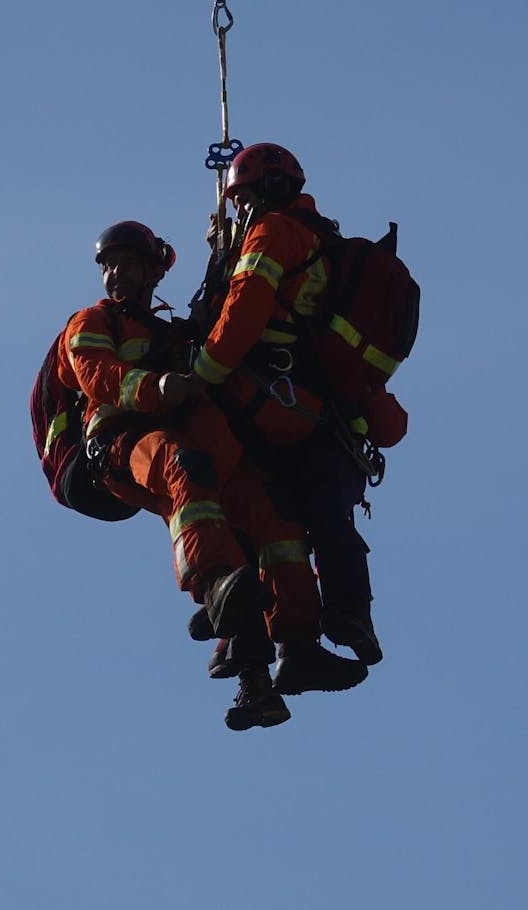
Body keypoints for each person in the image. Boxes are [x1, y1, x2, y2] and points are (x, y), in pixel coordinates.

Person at [50, 220, 366, 730]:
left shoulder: (175, 332)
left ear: (154, 269)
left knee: (273, 513)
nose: (115, 273)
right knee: (185, 472)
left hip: (190, 440)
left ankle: (295, 646)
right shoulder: (89, 322)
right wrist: (159, 389)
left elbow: (221, 327)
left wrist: (227, 252)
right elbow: (99, 378)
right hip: (124, 444)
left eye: (126, 262)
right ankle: (213, 584)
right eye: (108, 264)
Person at [192, 144, 385, 667]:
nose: (242, 206)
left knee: (249, 507)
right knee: (317, 518)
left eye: (246, 196)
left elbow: (244, 309)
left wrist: (202, 375)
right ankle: (334, 619)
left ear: (269, 189)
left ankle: (241, 629)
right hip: (322, 410)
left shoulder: (272, 233)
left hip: (272, 400)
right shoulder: (324, 238)